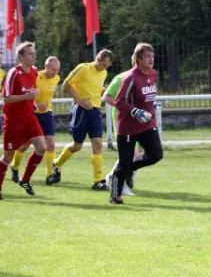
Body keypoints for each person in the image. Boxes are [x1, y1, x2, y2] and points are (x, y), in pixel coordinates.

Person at [50, 49, 114, 190]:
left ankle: (98, 180)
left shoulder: (103, 73)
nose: (105, 68)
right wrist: (79, 100)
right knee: (77, 146)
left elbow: (96, 87)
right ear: (98, 58)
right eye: (104, 64)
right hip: (80, 111)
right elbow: (67, 84)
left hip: (95, 111)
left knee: (97, 144)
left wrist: (105, 92)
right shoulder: (83, 68)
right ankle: (57, 163)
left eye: (107, 66)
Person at [110, 43, 163, 205]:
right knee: (124, 162)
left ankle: (128, 169)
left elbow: (147, 96)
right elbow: (119, 101)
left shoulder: (153, 74)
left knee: (156, 154)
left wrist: (151, 108)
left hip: (147, 124)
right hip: (128, 127)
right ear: (138, 59)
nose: (151, 59)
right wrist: (135, 112)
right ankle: (115, 196)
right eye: (147, 56)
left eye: (152, 56)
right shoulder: (130, 78)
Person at [0, 42, 47, 199]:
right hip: (13, 121)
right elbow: (6, 99)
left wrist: (34, 105)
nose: (33, 56)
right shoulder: (13, 73)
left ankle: (25, 179)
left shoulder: (34, 71)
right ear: (20, 57)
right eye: (30, 54)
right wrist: (27, 97)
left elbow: (30, 94)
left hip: (29, 118)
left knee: (42, 147)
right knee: (8, 156)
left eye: (34, 53)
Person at [10, 56, 61, 186]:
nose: (55, 73)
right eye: (53, 69)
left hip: (47, 114)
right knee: (24, 146)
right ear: (46, 66)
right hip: (32, 114)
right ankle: (14, 167)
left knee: (50, 144)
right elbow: (27, 95)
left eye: (57, 70)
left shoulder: (56, 78)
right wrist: (36, 105)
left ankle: (50, 175)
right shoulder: (35, 77)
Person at [104, 55, 143, 196]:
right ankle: (120, 181)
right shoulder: (122, 78)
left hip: (140, 121)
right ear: (136, 62)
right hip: (125, 120)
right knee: (132, 153)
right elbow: (107, 96)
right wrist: (127, 108)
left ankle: (120, 177)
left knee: (142, 153)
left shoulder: (145, 79)